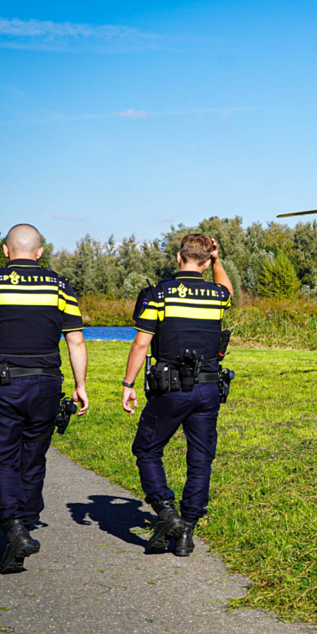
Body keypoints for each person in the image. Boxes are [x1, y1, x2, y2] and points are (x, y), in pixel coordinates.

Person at [0, 224, 89, 574]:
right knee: (33, 453)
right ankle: (26, 517)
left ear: (6, 250)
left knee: (0, 457)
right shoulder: (60, 286)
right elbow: (77, 340)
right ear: (39, 252)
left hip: (4, 387)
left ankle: (14, 526)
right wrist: (80, 385)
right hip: (47, 387)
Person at [121, 233, 233, 557]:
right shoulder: (216, 296)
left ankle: (167, 513)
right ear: (208, 260)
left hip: (169, 390)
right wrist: (218, 258)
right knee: (200, 460)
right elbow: (227, 289)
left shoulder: (160, 294)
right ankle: (187, 532)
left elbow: (142, 343)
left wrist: (128, 385)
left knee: (147, 448)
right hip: (208, 389)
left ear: (178, 257)